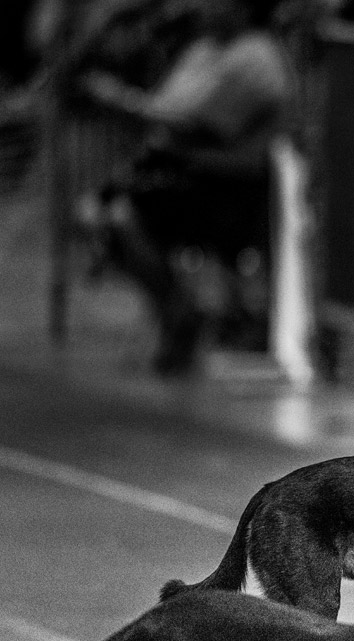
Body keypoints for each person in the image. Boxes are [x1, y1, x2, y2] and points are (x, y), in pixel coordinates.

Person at [79, 0, 291, 374]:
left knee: (121, 217)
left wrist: (121, 102)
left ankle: (181, 310)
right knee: (95, 213)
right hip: (182, 175)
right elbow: (166, 109)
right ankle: (176, 309)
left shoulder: (258, 58)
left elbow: (196, 126)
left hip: (228, 188)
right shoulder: (202, 49)